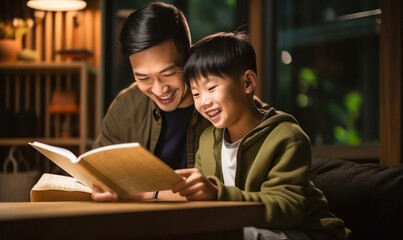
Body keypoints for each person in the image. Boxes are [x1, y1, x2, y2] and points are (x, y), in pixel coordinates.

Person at [170, 32, 352, 239]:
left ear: (248, 82)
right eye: (196, 93)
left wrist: (217, 194)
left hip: (307, 232)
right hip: (251, 229)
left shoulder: (287, 137)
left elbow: (288, 208)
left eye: (211, 88)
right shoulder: (206, 140)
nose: (203, 101)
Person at [91, 2, 268, 201]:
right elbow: (97, 168)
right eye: (143, 78)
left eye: (168, 73)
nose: (159, 90)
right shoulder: (126, 106)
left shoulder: (233, 108)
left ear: (189, 56)